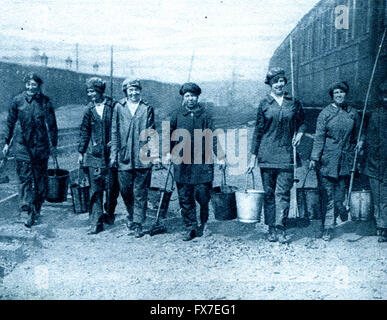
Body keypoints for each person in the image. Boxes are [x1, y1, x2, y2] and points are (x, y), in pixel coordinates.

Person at [247, 67, 306, 244]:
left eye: (282, 81)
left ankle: (280, 228)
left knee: (283, 193)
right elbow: (258, 131)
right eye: (275, 82)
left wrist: (300, 133)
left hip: (287, 155)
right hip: (266, 155)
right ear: (270, 85)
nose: (279, 84)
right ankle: (271, 228)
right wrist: (252, 157)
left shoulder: (293, 102)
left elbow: (302, 122)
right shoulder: (264, 103)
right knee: (269, 193)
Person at [167, 82, 226, 241]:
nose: (190, 99)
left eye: (193, 96)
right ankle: (190, 227)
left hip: (203, 161)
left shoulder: (205, 115)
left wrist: (220, 155)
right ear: (183, 97)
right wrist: (167, 153)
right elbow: (169, 136)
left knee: (203, 194)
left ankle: (204, 222)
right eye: (187, 96)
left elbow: (213, 136)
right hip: (182, 161)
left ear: (197, 97)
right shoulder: (177, 115)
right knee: (185, 195)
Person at [2, 72, 58, 228]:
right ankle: (26, 209)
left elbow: (52, 126)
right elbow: (10, 123)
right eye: (28, 84)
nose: (30, 87)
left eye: (34, 84)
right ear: (25, 85)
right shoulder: (17, 101)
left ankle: (36, 209)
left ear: (38, 86)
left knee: (40, 182)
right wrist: (7, 143)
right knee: (25, 178)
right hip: (22, 146)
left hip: (40, 146)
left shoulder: (45, 102)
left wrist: (53, 145)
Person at [309, 81, 362, 241]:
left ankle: (341, 209)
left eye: (342, 92)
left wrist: (361, 142)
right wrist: (314, 157)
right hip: (328, 159)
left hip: (346, 159)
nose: (339, 95)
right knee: (329, 195)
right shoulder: (325, 114)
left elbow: (360, 133)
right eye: (336, 93)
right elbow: (319, 137)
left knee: (340, 197)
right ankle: (328, 228)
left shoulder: (352, 113)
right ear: (332, 96)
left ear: (346, 94)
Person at [110, 79, 157, 238]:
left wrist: (154, 155)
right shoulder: (118, 107)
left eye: (136, 90)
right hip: (123, 156)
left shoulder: (146, 108)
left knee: (140, 192)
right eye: (130, 90)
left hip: (142, 157)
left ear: (140, 91)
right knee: (125, 190)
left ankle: (138, 223)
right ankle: (131, 214)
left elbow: (151, 133)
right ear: (126, 92)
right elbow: (114, 132)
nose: (134, 93)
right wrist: (113, 155)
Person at [78, 77, 120, 234]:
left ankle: (109, 213)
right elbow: (84, 131)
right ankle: (95, 221)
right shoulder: (89, 109)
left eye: (94, 91)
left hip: (112, 153)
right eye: (89, 92)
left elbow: (121, 126)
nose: (91, 94)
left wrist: (116, 141)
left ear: (101, 91)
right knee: (95, 188)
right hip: (94, 154)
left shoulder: (113, 106)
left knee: (112, 187)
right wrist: (81, 151)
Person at [364, 80, 387, 242]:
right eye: (385, 96)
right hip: (377, 164)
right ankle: (382, 227)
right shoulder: (376, 115)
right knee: (379, 197)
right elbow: (370, 142)